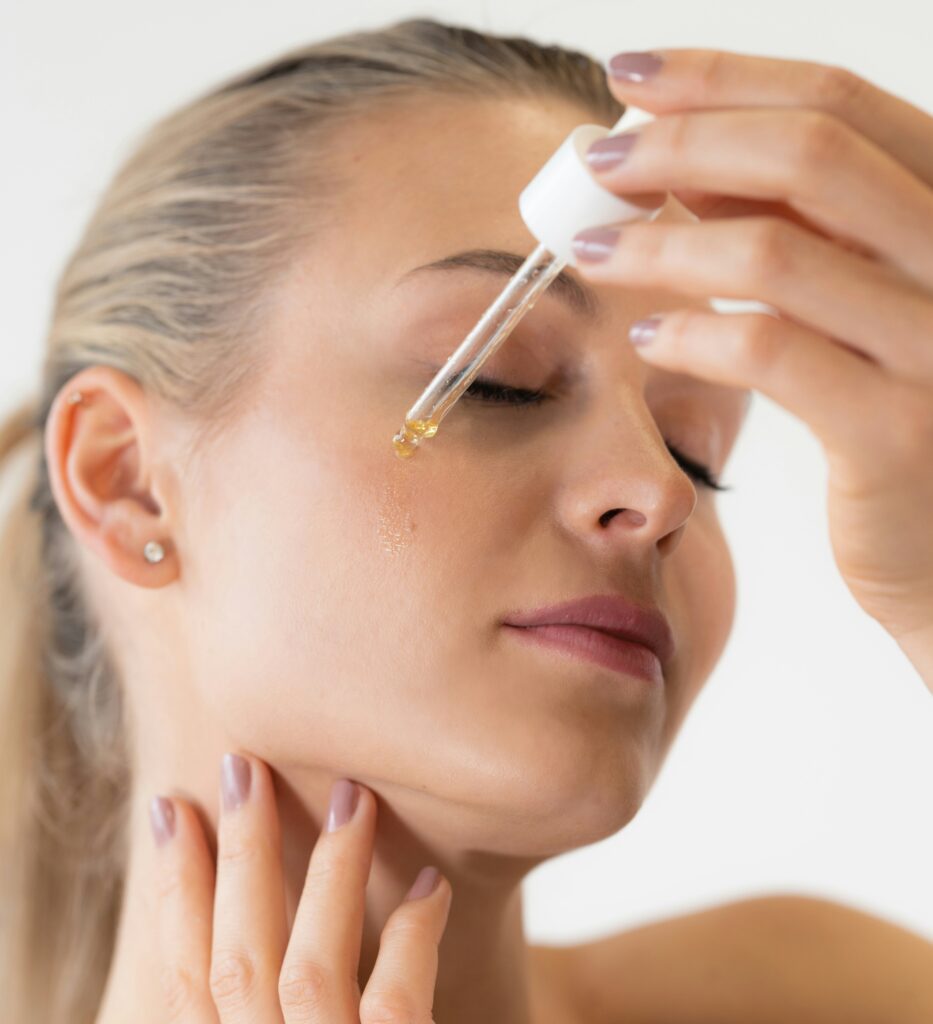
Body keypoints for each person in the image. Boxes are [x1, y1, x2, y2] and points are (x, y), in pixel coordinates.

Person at [1, 17, 932, 1024]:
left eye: (697, 452)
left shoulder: (823, 994)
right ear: (128, 478)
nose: (661, 494)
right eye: (500, 383)